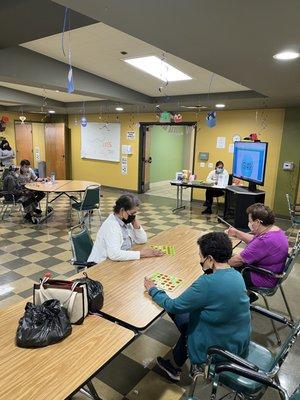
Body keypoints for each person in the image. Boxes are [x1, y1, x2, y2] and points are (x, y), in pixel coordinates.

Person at [144, 232, 250, 382]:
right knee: (190, 312)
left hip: (218, 349)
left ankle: (176, 364)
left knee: (176, 312)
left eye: (201, 256)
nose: (200, 260)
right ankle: (177, 358)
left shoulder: (206, 283)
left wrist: (153, 290)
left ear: (210, 259)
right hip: (238, 339)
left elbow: (174, 306)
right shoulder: (236, 275)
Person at [227, 203, 289, 297]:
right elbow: (254, 240)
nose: (249, 224)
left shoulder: (264, 241)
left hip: (263, 278)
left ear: (258, 222)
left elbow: (238, 261)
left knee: (223, 269)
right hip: (271, 273)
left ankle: (237, 300)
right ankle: (245, 295)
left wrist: (217, 263)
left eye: (250, 221)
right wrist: (236, 233)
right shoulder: (276, 231)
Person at [88, 194, 164, 263]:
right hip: (101, 264)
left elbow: (142, 240)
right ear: (122, 210)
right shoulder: (111, 226)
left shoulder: (124, 220)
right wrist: (141, 254)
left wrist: (134, 222)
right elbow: (114, 254)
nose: (133, 216)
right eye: (132, 213)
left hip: (118, 261)